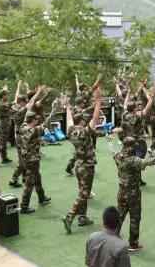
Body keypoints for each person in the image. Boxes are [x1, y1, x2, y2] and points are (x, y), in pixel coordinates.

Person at [113, 136, 155, 252]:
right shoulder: (133, 160)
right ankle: (133, 244)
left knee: (120, 215)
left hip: (121, 191)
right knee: (135, 218)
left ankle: (112, 237)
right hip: (133, 193)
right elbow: (151, 161)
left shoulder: (117, 156)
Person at [63, 85, 102, 233]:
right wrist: (98, 101)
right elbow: (95, 117)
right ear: (82, 121)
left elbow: (69, 120)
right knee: (84, 193)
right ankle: (70, 216)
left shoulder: (71, 131)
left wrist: (67, 107)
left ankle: (82, 217)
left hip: (78, 165)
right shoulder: (85, 132)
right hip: (87, 166)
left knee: (82, 190)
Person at [18, 86, 53, 214]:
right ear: (32, 120)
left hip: (27, 157)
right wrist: (54, 111)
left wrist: (37, 95)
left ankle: (41, 197)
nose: (37, 121)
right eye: (36, 120)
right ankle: (24, 206)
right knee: (29, 183)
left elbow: (28, 111)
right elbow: (46, 124)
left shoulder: (23, 126)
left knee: (37, 177)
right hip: (32, 159)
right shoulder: (34, 130)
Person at [0, 87, 13, 164]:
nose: (7, 96)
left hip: (6, 123)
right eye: (6, 95)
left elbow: (10, 109)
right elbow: (7, 106)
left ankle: (4, 158)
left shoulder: (4, 102)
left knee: (4, 142)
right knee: (1, 142)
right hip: (3, 124)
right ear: (3, 95)